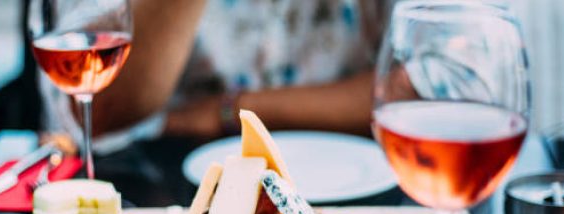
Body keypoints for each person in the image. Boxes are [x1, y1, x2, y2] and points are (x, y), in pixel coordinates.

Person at [41, 0, 391, 153]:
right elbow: (97, 107)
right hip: (161, 191)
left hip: (361, 180)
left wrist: (226, 111)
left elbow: (424, 87)